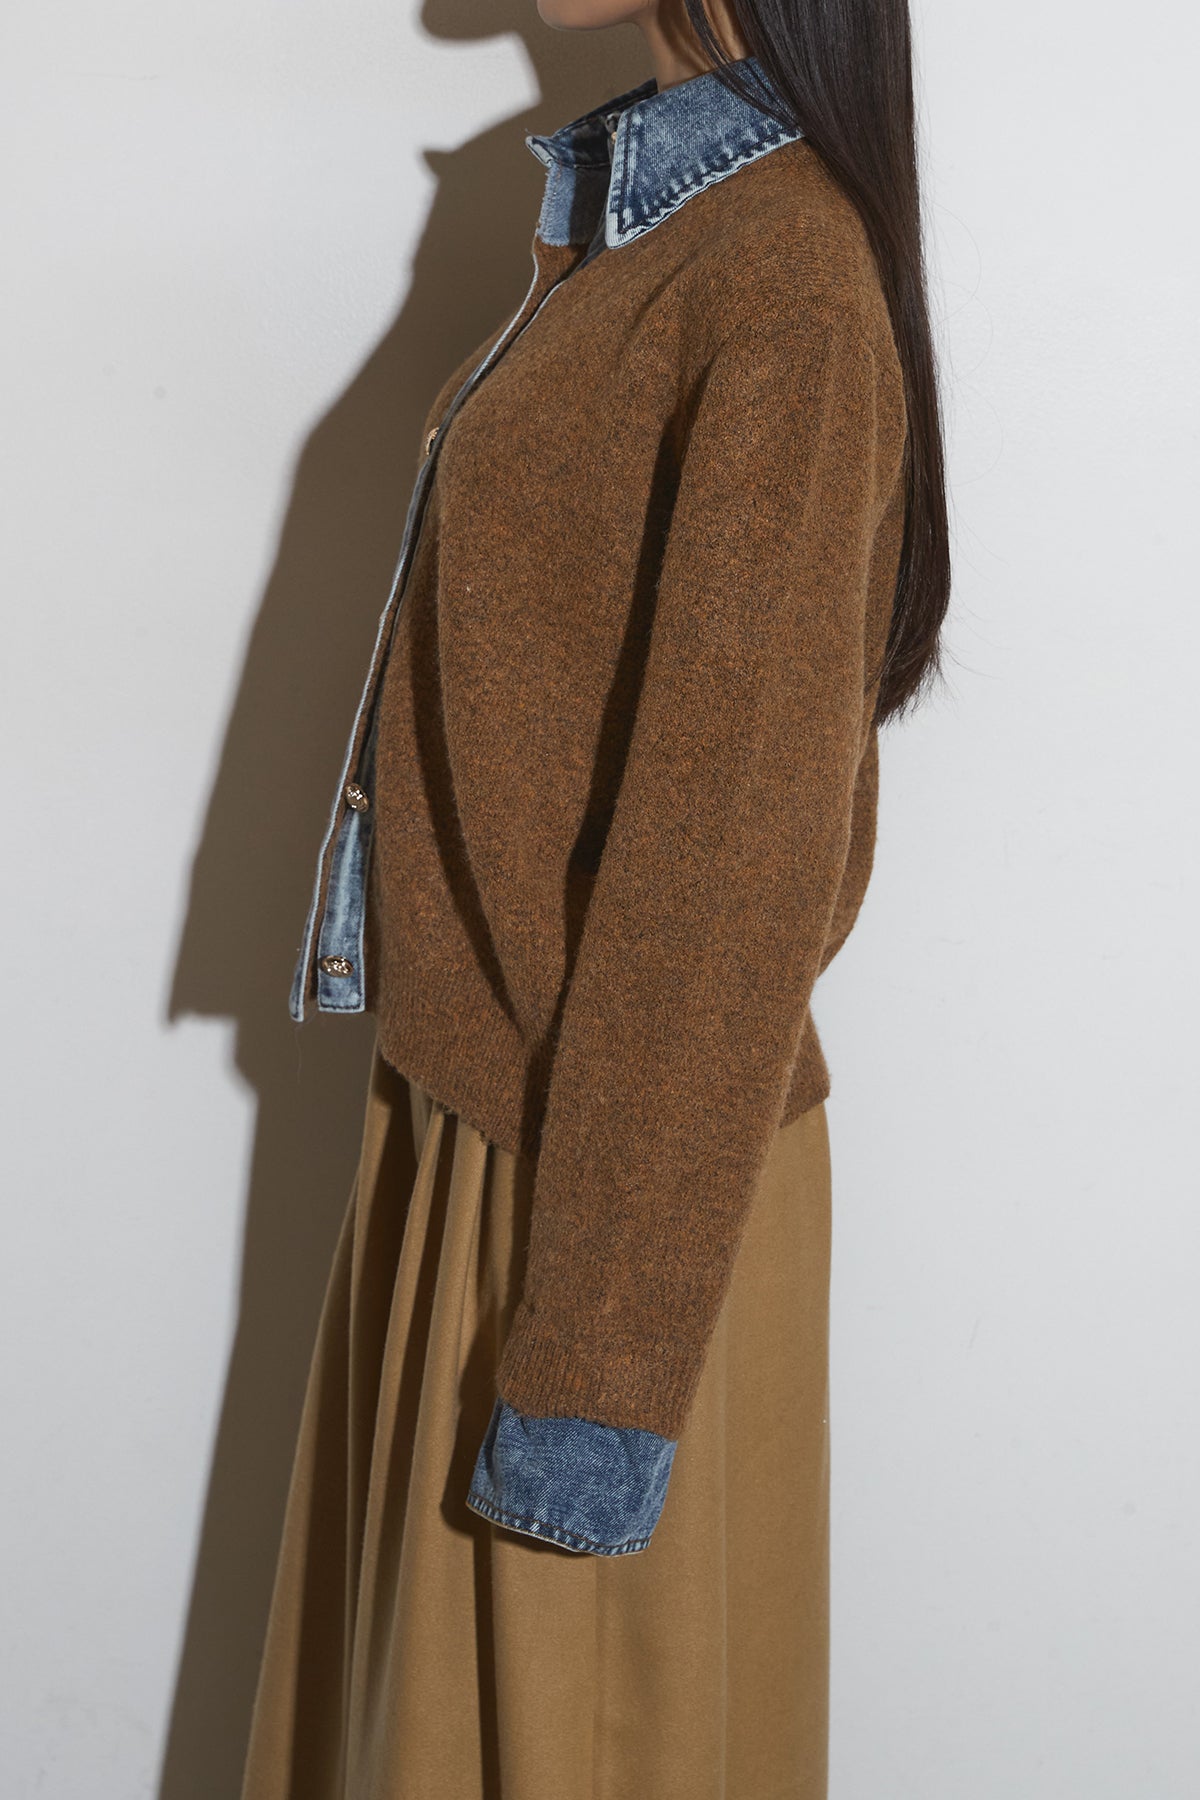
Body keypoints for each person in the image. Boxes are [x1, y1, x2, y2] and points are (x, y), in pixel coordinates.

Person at [239, 0, 950, 1792]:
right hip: (499, 1123)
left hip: (617, 1186)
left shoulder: (784, 284)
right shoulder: (660, 226)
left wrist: (596, 1369)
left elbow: (729, 878)